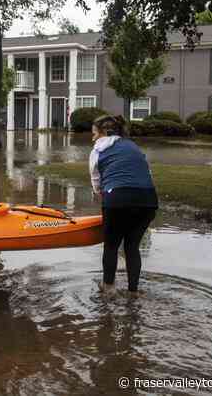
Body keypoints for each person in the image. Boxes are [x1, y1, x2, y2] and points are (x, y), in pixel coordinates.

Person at [89, 115, 158, 295]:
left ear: (104, 132)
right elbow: (147, 173)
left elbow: (96, 182)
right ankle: (133, 292)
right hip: (148, 200)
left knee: (111, 246)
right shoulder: (133, 146)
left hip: (117, 199)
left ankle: (108, 289)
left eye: (94, 133)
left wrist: (102, 198)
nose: (93, 138)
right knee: (132, 247)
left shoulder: (98, 149)